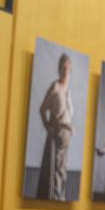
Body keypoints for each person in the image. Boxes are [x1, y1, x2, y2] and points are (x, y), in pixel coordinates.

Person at [36, 53, 74, 201]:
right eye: (63, 68)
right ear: (59, 69)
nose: (66, 72)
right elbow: (42, 109)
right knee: (53, 180)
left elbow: (68, 118)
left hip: (65, 144)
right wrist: (48, 127)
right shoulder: (55, 87)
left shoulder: (69, 92)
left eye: (69, 69)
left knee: (62, 177)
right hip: (55, 141)